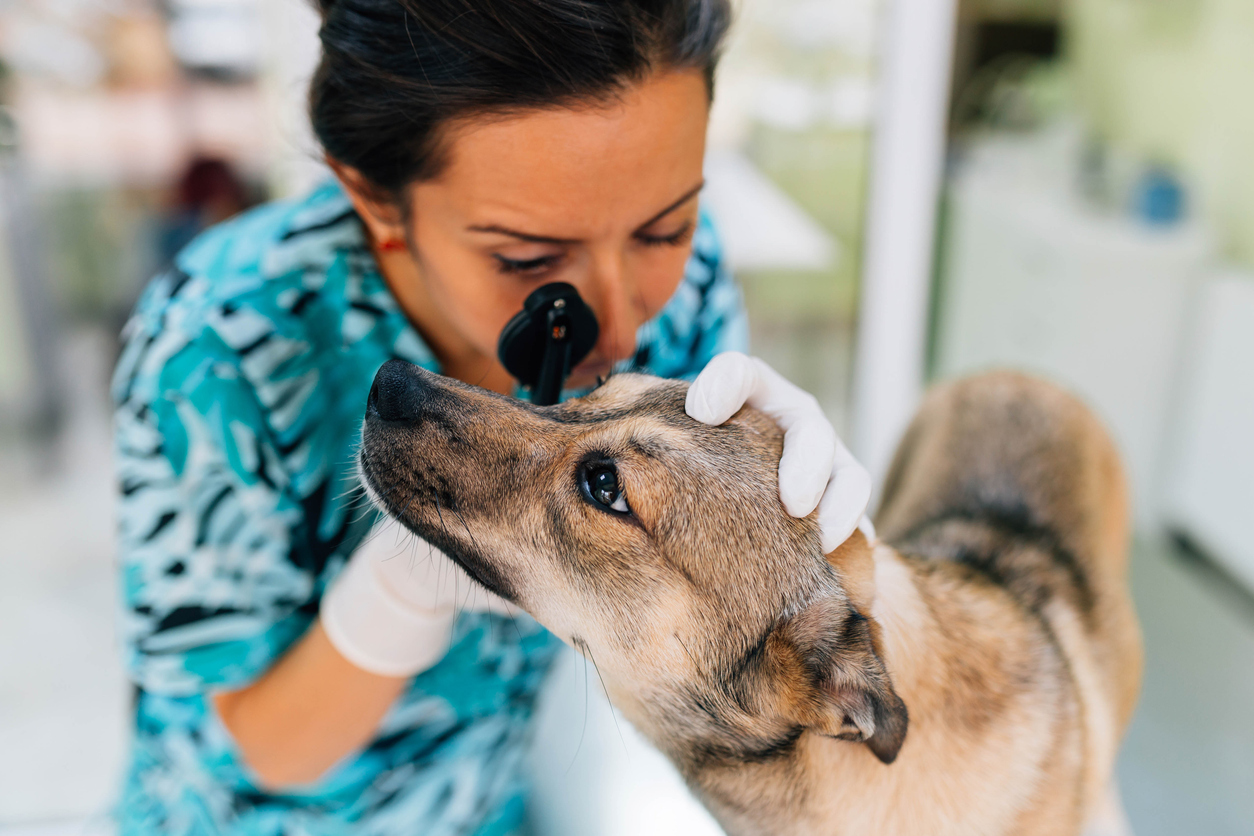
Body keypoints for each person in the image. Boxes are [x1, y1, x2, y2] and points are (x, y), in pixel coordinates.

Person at [110, 1, 870, 833]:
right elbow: (250, 754)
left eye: (667, 226)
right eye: (529, 259)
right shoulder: (220, 352)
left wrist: (815, 552)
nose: (622, 328)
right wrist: (394, 599)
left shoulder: (687, 289)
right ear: (374, 198)